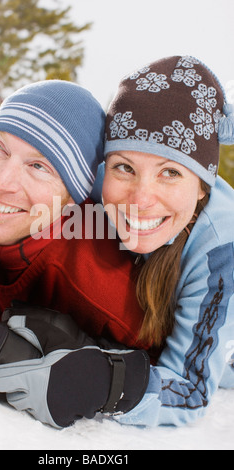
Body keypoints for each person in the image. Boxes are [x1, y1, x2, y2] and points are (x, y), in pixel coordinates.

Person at [0, 79, 150, 428]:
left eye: (40, 166)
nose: (1, 181)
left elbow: (182, 355)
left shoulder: (101, 286)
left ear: (72, 198)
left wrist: (110, 377)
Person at [91, 54, 234, 426]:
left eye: (170, 172)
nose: (140, 199)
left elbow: (191, 388)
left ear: (202, 187)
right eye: (125, 167)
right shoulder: (100, 186)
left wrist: (101, 386)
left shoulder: (222, 250)